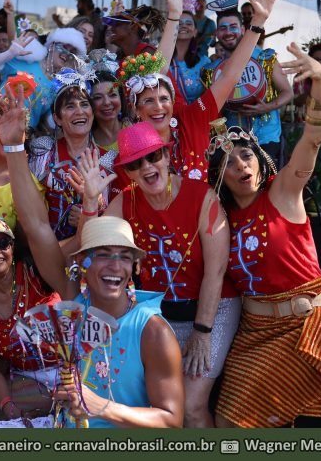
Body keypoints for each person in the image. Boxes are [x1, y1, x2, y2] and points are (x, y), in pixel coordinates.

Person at [0, 85, 185, 428]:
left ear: (135, 266)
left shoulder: (151, 329)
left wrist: (100, 406)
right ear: (84, 263)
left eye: (123, 257)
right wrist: (14, 148)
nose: (114, 265)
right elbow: (36, 226)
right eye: (103, 255)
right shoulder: (73, 300)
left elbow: (172, 421)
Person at [207, 42, 321, 428]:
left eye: (246, 155)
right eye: (229, 163)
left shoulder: (283, 191)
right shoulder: (219, 216)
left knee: (242, 423)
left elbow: (311, 141)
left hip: (299, 325)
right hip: (253, 331)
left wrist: (320, 85)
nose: (241, 166)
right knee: (235, 420)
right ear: (220, 177)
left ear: (260, 160)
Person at [76, 122, 233, 428]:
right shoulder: (126, 201)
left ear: (166, 155)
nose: (147, 167)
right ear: (129, 172)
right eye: (135, 163)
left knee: (192, 407)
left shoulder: (202, 197)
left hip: (211, 310)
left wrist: (202, 332)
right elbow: (90, 246)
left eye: (153, 157)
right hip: (158, 315)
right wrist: (90, 201)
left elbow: (216, 271)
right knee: (153, 403)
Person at [126, 0, 283, 183]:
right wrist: (173, 17)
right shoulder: (131, 148)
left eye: (164, 99)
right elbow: (156, 74)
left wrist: (257, 23)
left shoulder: (192, 119)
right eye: (148, 101)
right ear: (135, 108)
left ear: (173, 101)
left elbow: (230, 76)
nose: (158, 106)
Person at [0, 218, 61, 426]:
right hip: (27, 379)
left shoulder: (35, 271)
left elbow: (73, 246)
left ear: (12, 249)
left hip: (67, 372)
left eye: (3, 244)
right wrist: (9, 407)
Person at [29, 68, 120, 241]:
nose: (79, 111)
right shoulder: (42, 152)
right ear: (57, 118)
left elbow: (119, 217)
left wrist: (93, 214)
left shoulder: (110, 160)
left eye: (85, 104)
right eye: (70, 106)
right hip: (47, 252)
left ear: (92, 114)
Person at [201, 0, 294, 166]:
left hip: (267, 139)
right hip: (234, 145)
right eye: (223, 28)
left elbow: (288, 92)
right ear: (216, 33)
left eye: (233, 27)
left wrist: (267, 107)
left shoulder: (264, 57)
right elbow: (211, 112)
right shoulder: (212, 70)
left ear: (243, 29)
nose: (228, 32)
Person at [0, 27, 86, 133]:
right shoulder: (28, 59)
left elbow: (48, 119)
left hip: (22, 134)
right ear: (52, 46)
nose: (67, 53)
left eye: (73, 52)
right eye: (63, 47)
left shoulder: (60, 86)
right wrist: (10, 52)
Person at [169, 0, 211, 104]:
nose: (183, 26)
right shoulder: (161, 60)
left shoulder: (206, 63)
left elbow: (211, 96)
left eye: (188, 23)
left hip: (195, 117)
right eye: (179, 23)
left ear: (195, 32)